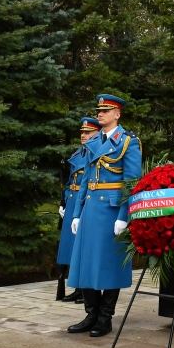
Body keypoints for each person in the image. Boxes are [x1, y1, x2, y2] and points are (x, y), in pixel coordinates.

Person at [66, 94, 142, 337]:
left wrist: (123, 215)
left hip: (110, 211)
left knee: (108, 264)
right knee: (85, 262)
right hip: (90, 209)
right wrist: (77, 213)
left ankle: (105, 317)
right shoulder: (94, 141)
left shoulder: (128, 142)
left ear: (117, 114)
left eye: (106, 110)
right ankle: (91, 314)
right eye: (99, 110)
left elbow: (131, 182)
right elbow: (87, 179)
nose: (100, 114)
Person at [56, 116, 101, 303]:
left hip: (85, 202)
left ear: (97, 133)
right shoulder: (78, 154)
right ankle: (77, 288)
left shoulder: (97, 152)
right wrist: (64, 201)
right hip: (72, 201)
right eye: (82, 132)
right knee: (70, 248)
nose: (84, 135)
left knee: (81, 248)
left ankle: (86, 290)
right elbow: (69, 181)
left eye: (88, 132)